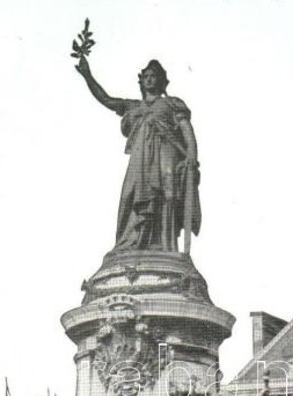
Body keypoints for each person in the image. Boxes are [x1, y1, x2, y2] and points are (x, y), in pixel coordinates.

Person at [76, 55, 201, 253]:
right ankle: (129, 243)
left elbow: (186, 129)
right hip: (139, 159)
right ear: (141, 81)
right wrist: (87, 75)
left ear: (162, 81)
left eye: (155, 76)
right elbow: (106, 100)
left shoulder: (171, 104)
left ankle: (166, 246)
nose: (150, 79)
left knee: (168, 194)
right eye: (147, 76)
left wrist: (192, 156)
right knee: (129, 195)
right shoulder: (134, 107)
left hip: (165, 151)